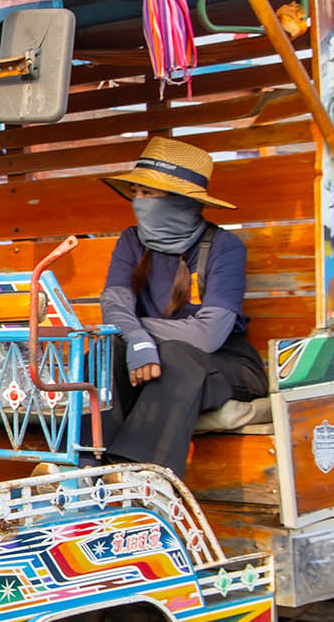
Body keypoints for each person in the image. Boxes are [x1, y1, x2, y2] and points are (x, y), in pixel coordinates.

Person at [97, 137, 264, 476]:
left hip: (225, 367)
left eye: (148, 193)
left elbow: (208, 334)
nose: (138, 202)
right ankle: (83, 467)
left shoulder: (225, 247)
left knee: (176, 356)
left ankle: (142, 476)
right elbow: (114, 304)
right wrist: (136, 341)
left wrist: (140, 333)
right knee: (106, 351)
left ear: (180, 201)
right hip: (154, 360)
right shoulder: (131, 241)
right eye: (135, 192)